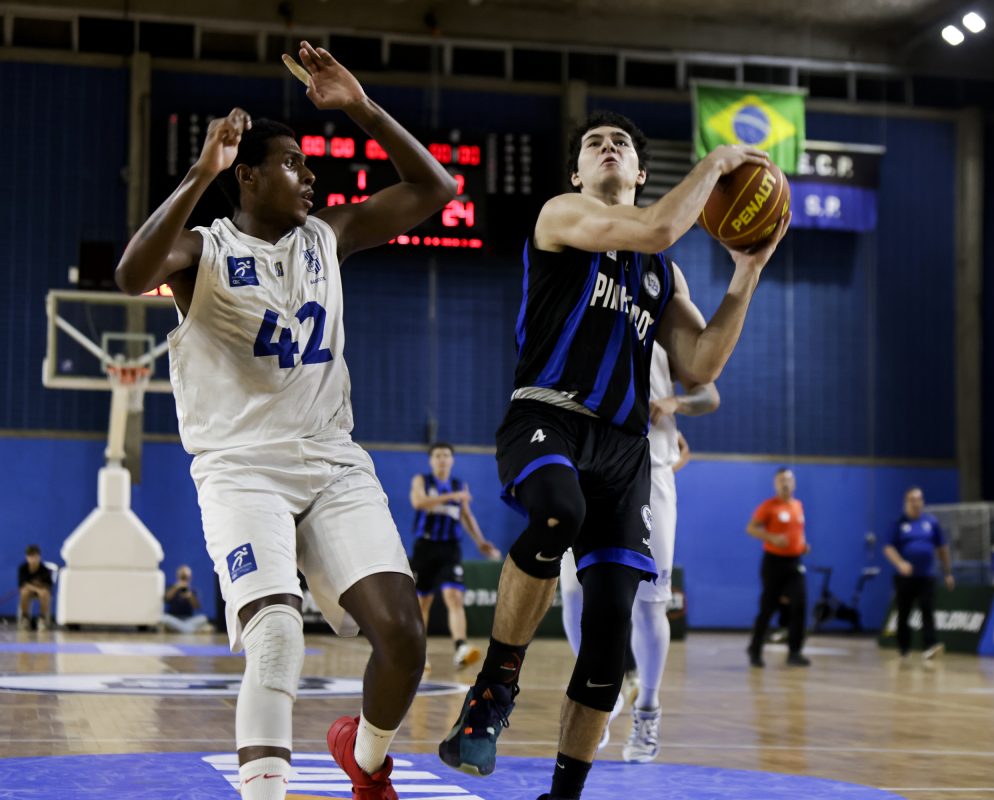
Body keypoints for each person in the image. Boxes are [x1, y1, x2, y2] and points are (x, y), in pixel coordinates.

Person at [115, 40, 457, 800]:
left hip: (331, 462)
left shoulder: (328, 238)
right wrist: (197, 174)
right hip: (241, 470)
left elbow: (436, 188)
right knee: (274, 636)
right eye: (294, 164)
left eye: (309, 165)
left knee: (405, 636)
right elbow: (131, 274)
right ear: (246, 175)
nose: (310, 176)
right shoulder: (204, 250)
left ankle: (365, 762)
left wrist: (362, 107)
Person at [437, 109, 788, 800]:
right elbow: (657, 225)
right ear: (576, 172)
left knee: (608, 636)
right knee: (556, 512)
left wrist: (747, 272)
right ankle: (494, 688)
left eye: (619, 143)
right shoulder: (562, 215)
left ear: (639, 171)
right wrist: (719, 161)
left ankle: (565, 794)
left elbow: (701, 365)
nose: (607, 148)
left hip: (624, 451)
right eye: (594, 144)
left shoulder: (662, 274)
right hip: (549, 413)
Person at [559, 341, 719, 761]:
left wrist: (675, 402)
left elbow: (709, 394)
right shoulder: (584, 311)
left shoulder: (665, 313)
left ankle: (647, 709)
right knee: (573, 594)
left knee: (650, 605)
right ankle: (604, 695)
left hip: (652, 468)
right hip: (588, 469)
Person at [409, 442, 501, 670]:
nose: (442, 459)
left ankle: (461, 648)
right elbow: (418, 502)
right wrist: (452, 496)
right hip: (425, 547)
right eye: (438, 455)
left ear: (452, 460)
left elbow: (466, 516)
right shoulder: (422, 480)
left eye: (446, 455)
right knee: (423, 602)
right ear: (431, 460)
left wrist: (480, 542)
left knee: (455, 597)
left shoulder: (459, 485)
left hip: (450, 548)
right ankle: (418, 652)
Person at [745, 468, 811, 668]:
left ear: (794, 483)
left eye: (789, 480)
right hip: (774, 563)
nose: (785, 483)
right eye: (781, 480)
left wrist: (802, 545)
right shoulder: (769, 506)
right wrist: (771, 537)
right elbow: (751, 528)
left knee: (799, 604)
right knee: (768, 607)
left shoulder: (798, 506)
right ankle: (755, 650)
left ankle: (795, 652)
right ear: (776, 483)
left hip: (795, 562)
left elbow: (798, 532)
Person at [882, 487, 954, 661]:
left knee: (927, 610)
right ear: (906, 502)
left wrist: (948, 572)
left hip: (926, 576)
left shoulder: (931, 522)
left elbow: (942, 547)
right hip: (905, 577)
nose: (916, 503)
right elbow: (888, 547)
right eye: (912, 500)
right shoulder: (899, 523)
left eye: (919, 499)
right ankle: (904, 648)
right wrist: (900, 563)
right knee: (904, 613)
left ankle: (930, 646)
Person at [162, 565, 212, 633]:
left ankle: (180, 629)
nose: (184, 579)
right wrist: (175, 587)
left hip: (188, 619)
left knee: (203, 618)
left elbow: (197, 607)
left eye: (186, 577)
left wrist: (190, 596)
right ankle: (189, 630)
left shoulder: (192, 591)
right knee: (164, 618)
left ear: (190, 578)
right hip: (174, 618)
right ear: (178, 576)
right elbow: (166, 599)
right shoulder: (171, 588)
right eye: (182, 577)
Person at [17, 544, 53, 632]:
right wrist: (36, 589)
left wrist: (40, 589)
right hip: (29, 590)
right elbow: (23, 584)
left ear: (39, 556)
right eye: (30, 556)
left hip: (41, 591)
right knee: (24, 592)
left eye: (35, 556)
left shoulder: (44, 569)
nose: (33, 558)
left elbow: (48, 585)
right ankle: (25, 618)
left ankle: (42, 619)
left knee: (45, 593)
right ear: (27, 557)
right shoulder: (23, 568)